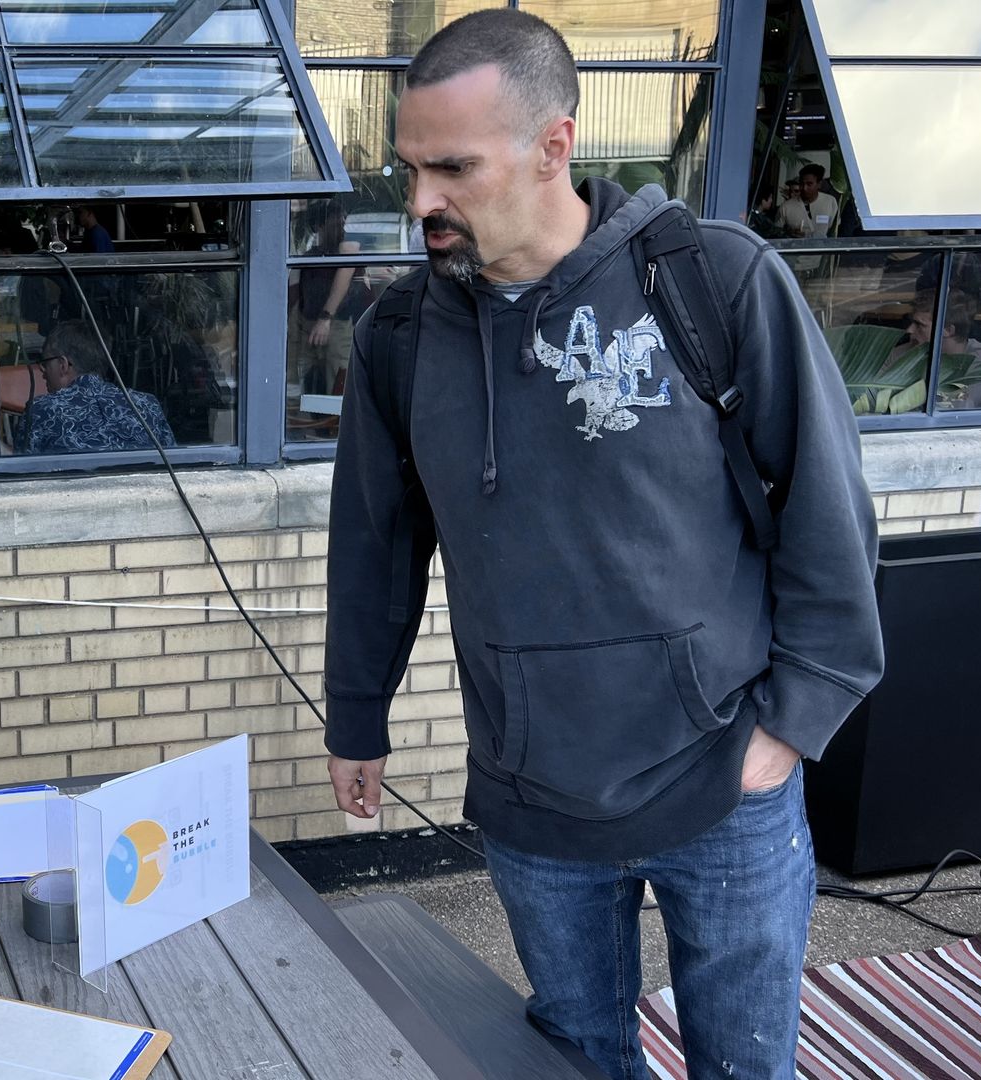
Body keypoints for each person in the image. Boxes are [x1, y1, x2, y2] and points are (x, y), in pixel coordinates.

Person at [322, 11, 883, 1080]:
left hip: (725, 779)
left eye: (453, 167)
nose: (421, 200)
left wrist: (794, 727)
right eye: (409, 167)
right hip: (533, 796)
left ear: (553, 146)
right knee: (573, 1061)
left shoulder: (711, 281)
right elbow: (375, 544)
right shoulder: (398, 338)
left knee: (744, 1065)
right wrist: (359, 714)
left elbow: (828, 511)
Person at [20, 321, 176, 454]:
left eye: (45, 363)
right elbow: (175, 464)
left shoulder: (40, 411)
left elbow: (21, 475)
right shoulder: (147, 404)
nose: (43, 372)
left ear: (63, 365)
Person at [290, 200, 371, 397]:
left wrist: (326, 318)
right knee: (309, 384)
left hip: (339, 325)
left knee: (338, 383)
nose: (341, 229)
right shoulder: (312, 256)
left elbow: (349, 278)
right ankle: (316, 424)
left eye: (343, 224)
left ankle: (334, 426)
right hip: (306, 324)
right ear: (320, 227)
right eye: (336, 225)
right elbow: (296, 291)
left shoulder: (348, 250)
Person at [779, 162, 840, 239]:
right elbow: (776, 232)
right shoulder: (786, 207)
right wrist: (788, 233)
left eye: (809, 184)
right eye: (802, 184)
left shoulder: (830, 202)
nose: (804, 188)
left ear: (819, 184)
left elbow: (835, 230)